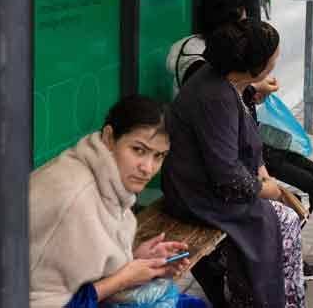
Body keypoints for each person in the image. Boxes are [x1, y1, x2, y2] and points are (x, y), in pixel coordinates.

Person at [166, 0, 313, 283]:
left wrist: (262, 171)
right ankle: (257, 288)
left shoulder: (226, 83)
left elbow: (244, 143)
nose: (274, 64)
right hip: (196, 195)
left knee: (292, 202)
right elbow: (227, 176)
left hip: (204, 182)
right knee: (285, 218)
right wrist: (271, 190)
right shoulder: (215, 96)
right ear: (254, 66)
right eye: (273, 60)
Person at [29, 95, 202, 308]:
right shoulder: (75, 200)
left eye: (159, 156)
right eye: (138, 150)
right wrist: (124, 278)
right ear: (110, 138)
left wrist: (135, 259)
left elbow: (83, 266)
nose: (148, 168)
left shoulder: (104, 178)